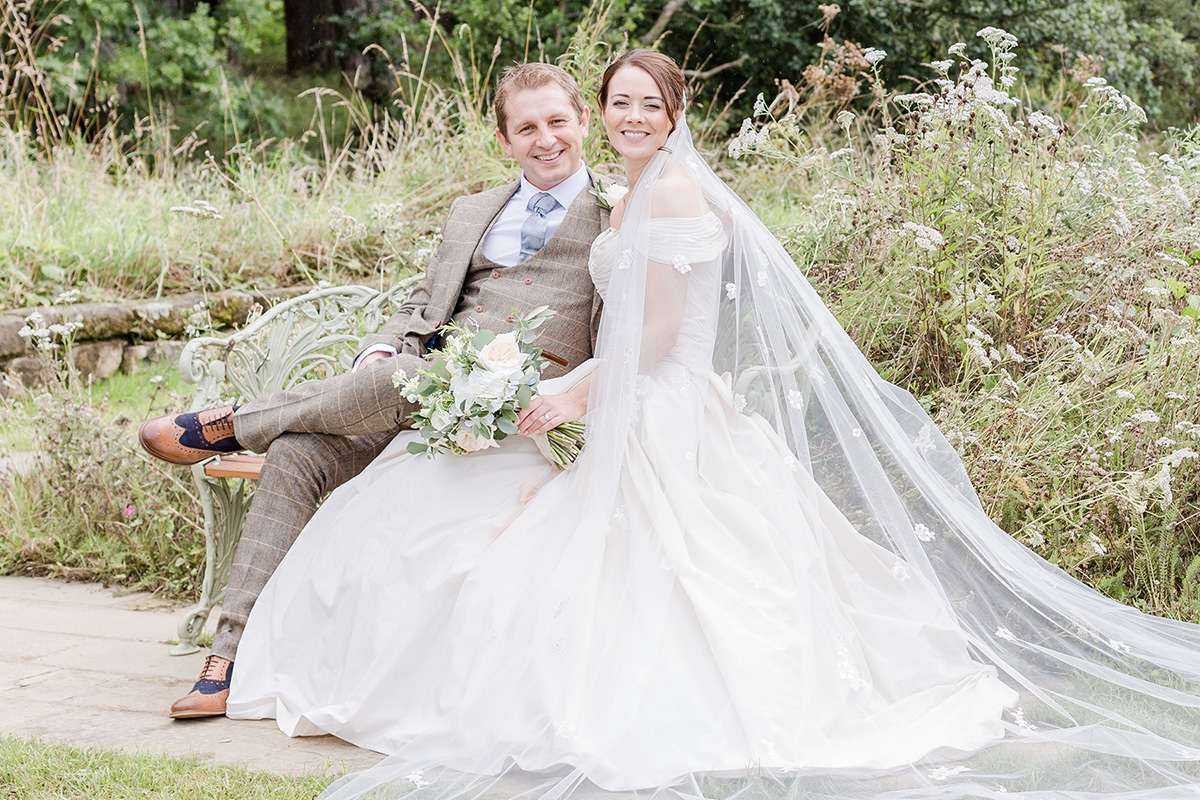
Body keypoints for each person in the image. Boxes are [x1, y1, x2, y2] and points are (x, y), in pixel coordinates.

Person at [229, 51, 1200, 800]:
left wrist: (576, 393)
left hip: (656, 401)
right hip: (637, 393)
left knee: (663, 569)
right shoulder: (631, 192)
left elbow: (653, 334)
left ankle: (235, 429)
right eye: (621, 102)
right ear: (600, 112)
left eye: (650, 104)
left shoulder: (675, 190)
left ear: (674, 115)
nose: (633, 116)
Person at [137, 62, 611, 719]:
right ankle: (230, 657)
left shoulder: (617, 215)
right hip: (414, 389)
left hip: (521, 403)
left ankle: (232, 424)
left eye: (559, 121)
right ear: (504, 140)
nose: (546, 138)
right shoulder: (471, 211)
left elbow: (630, 335)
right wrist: (380, 351)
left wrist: (571, 393)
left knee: (393, 382)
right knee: (300, 453)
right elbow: (422, 310)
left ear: (584, 121)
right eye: (527, 127)